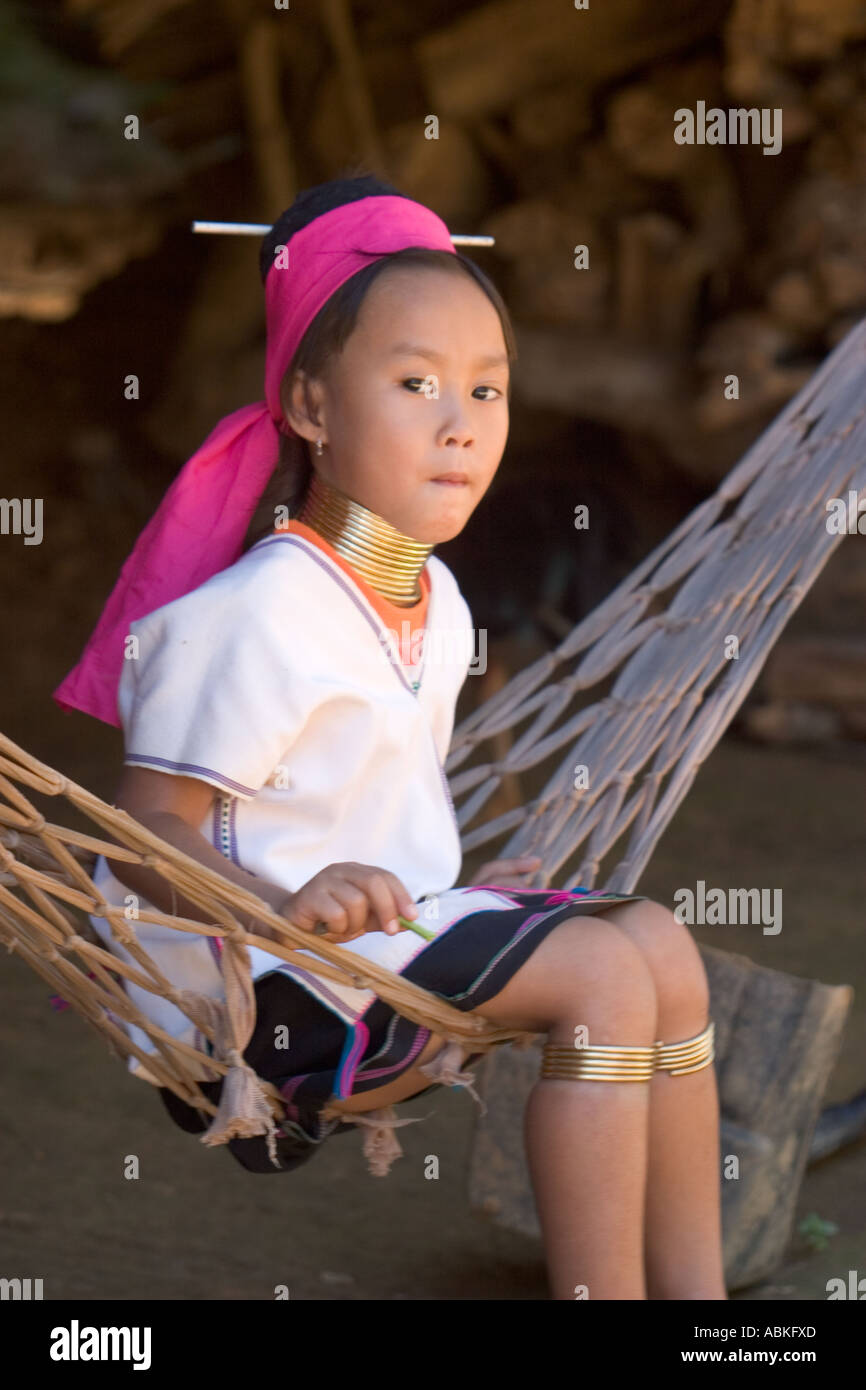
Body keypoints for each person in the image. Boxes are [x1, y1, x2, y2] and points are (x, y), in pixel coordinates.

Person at [54, 173, 726, 1300]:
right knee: (605, 978)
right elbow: (141, 828)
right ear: (311, 407)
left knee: (660, 945)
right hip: (259, 998)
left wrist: (458, 895)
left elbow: (364, 805)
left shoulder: (437, 600)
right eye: (415, 383)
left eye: (486, 389)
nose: (461, 422)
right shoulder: (255, 615)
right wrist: (277, 907)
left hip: (373, 954)